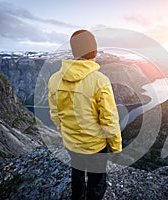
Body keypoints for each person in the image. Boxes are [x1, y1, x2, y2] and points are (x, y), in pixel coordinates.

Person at [48, 30, 122, 200]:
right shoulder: (99, 80)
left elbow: (55, 113)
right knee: (97, 182)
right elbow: (109, 119)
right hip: (95, 146)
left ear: (74, 52)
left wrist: (66, 132)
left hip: (72, 143)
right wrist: (116, 146)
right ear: (95, 52)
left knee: (77, 176)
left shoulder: (54, 79)